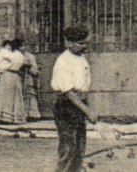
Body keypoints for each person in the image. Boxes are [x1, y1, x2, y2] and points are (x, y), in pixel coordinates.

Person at [51, 26, 94, 172]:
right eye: (81, 43)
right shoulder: (63, 61)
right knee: (68, 148)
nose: (85, 46)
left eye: (86, 43)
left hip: (79, 104)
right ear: (69, 43)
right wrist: (88, 111)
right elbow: (69, 93)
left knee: (79, 149)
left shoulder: (80, 58)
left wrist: (85, 107)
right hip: (67, 106)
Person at [0, 37, 36, 124]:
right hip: (16, 77)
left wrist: (0, 70)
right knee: (15, 97)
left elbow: (4, 64)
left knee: (5, 96)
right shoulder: (21, 56)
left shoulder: (12, 55)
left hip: (7, 76)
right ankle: (15, 118)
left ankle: (3, 117)